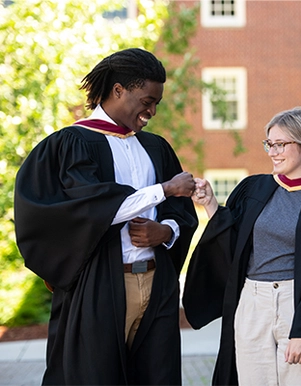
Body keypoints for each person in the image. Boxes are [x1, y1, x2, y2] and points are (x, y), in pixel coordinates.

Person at [14, 48, 198, 385]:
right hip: (99, 285)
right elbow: (90, 208)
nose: (152, 111)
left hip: (156, 283)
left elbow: (181, 213)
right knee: (95, 376)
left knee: (157, 377)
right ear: (118, 90)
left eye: (157, 102)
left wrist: (166, 231)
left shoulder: (156, 148)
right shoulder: (72, 144)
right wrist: (163, 190)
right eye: (147, 100)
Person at [183, 107, 301, 386]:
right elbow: (236, 247)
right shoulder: (254, 188)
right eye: (269, 143)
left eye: (280, 144)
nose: (272, 152)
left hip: (297, 303)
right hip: (252, 302)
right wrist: (211, 204)